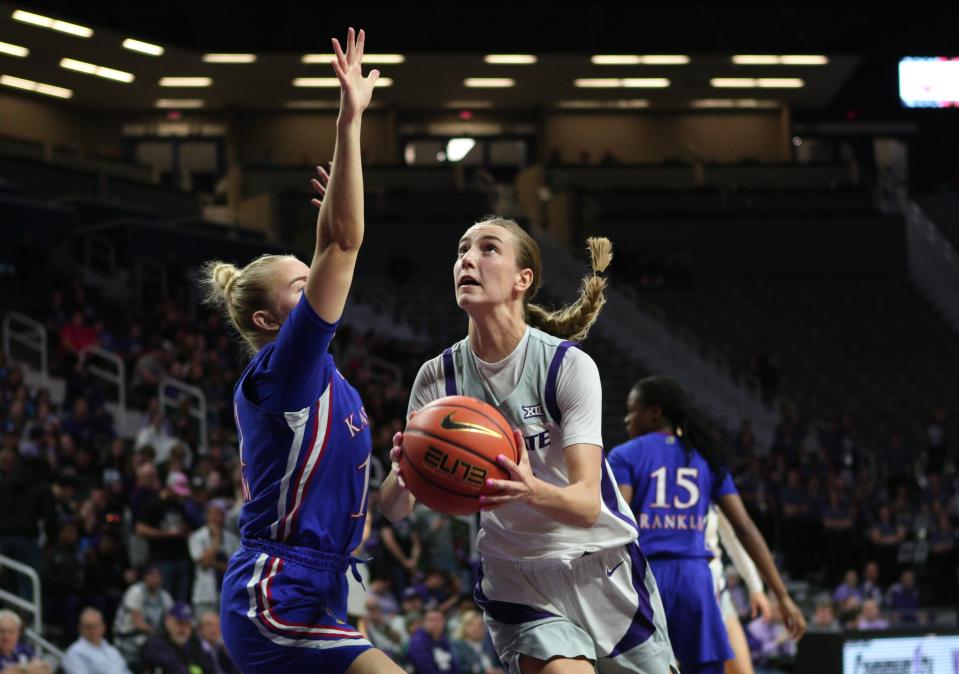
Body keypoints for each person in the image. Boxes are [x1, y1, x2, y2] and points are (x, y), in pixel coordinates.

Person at [384, 219, 674, 673]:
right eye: (462, 250)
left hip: (600, 564)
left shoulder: (566, 365)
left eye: (487, 248)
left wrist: (530, 490)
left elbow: (585, 505)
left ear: (523, 279)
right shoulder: (437, 378)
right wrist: (404, 473)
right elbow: (394, 508)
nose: (467, 258)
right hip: (516, 578)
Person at [208, 28, 404, 674]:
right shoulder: (284, 369)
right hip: (275, 594)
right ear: (267, 319)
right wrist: (349, 124)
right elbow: (342, 246)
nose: (315, 278)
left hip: (322, 589)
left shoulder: (331, 385)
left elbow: (332, 245)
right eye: (301, 282)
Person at [609, 376, 805, 674]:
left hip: (645, 580)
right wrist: (783, 596)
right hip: (696, 582)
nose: (626, 418)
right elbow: (746, 529)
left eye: (632, 409)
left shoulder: (625, 455)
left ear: (655, 412)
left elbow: (616, 526)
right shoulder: (706, 457)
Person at [705, 507, 769, 674]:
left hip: (715, 588)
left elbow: (734, 534)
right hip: (661, 588)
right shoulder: (641, 482)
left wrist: (755, 587)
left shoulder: (714, 481)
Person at [112, 564, 174, 666]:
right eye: (151, 575)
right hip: (128, 638)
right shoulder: (136, 591)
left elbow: (171, 620)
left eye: (157, 576)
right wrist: (161, 633)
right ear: (145, 577)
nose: (155, 579)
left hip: (150, 639)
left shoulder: (164, 596)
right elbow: (138, 624)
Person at [189, 500, 240, 617]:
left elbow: (234, 567)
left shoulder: (232, 539)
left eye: (220, 514)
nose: (216, 517)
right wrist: (216, 540)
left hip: (227, 594)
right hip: (205, 595)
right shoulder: (197, 537)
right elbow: (204, 563)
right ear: (207, 515)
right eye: (213, 513)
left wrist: (214, 563)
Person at [141, 602, 216, 674]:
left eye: (188, 624)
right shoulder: (155, 645)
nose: (184, 629)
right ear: (168, 621)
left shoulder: (193, 645)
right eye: (180, 623)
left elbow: (210, 668)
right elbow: (173, 667)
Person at [61, 607, 131, 674]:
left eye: (96, 626)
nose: (92, 631)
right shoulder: (74, 653)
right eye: (88, 627)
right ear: (80, 628)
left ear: (103, 627)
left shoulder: (111, 650)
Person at [407, 610, 459, 674]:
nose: (436, 624)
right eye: (431, 620)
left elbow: (454, 664)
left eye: (439, 620)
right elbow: (426, 670)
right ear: (423, 622)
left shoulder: (443, 638)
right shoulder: (418, 641)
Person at [0, 609, 51, 674]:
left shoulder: (24, 648)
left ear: (18, 633)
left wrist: (17, 669)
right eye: (2, 631)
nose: (6, 636)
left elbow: (45, 669)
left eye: (11, 631)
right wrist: (29, 668)